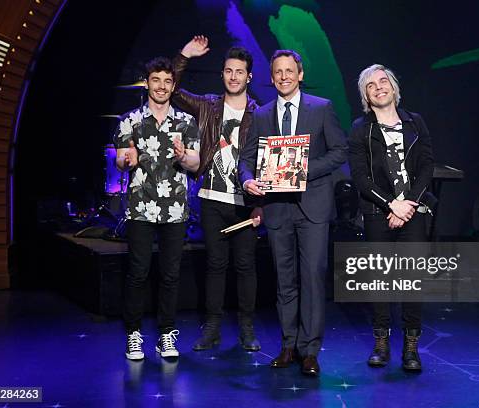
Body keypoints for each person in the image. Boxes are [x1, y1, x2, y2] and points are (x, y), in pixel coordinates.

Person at [239, 50, 348, 376]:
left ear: (299, 74)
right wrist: (247, 180)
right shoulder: (262, 114)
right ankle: (288, 345)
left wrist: (302, 171)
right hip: (276, 210)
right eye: (278, 72)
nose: (284, 76)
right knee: (284, 281)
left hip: (312, 207)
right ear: (271, 78)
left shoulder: (322, 108)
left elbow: (340, 151)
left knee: (312, 279)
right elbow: (246, 158)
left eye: (290, 71)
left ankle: (310, 350)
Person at [172, 36, 263, 351]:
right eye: (228, 71)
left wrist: (261, 206)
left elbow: (267, 163)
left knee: (246, 266)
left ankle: (247, 329)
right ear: (222, 74)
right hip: (212, 199)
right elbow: (171, 89)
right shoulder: (209, 105)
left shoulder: (260, 114)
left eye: (240, 71)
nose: (234, 76)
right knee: (214, 265)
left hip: (246, 204)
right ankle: (212, 328)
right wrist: (185, 55)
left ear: (249, 76)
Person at [348, 64, 434, 371]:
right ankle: (381, 342)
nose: (379, 87)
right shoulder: (360, 128)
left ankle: (411, 347)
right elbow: (359, 177)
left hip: (413, 211)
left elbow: (426, 167)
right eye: (371, 85)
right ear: (366, 96)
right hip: (376, 213)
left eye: (383, 81)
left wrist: (408, 203)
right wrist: (391, 206)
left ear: (394, 88)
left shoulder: (415, 122)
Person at [114, 56, 200, 360]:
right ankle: (134, 334)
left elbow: (195, 163)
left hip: (175, 208)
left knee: (170, 274)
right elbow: (123, 160)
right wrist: (126, 160)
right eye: (156, 80)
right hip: (140, 207)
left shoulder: (187, 122)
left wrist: (182, 156)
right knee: (138, 272)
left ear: (173, 85)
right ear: (147, 82)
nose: (161, 86)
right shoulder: (130, 121)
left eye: (167, 81)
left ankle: (166, 334)